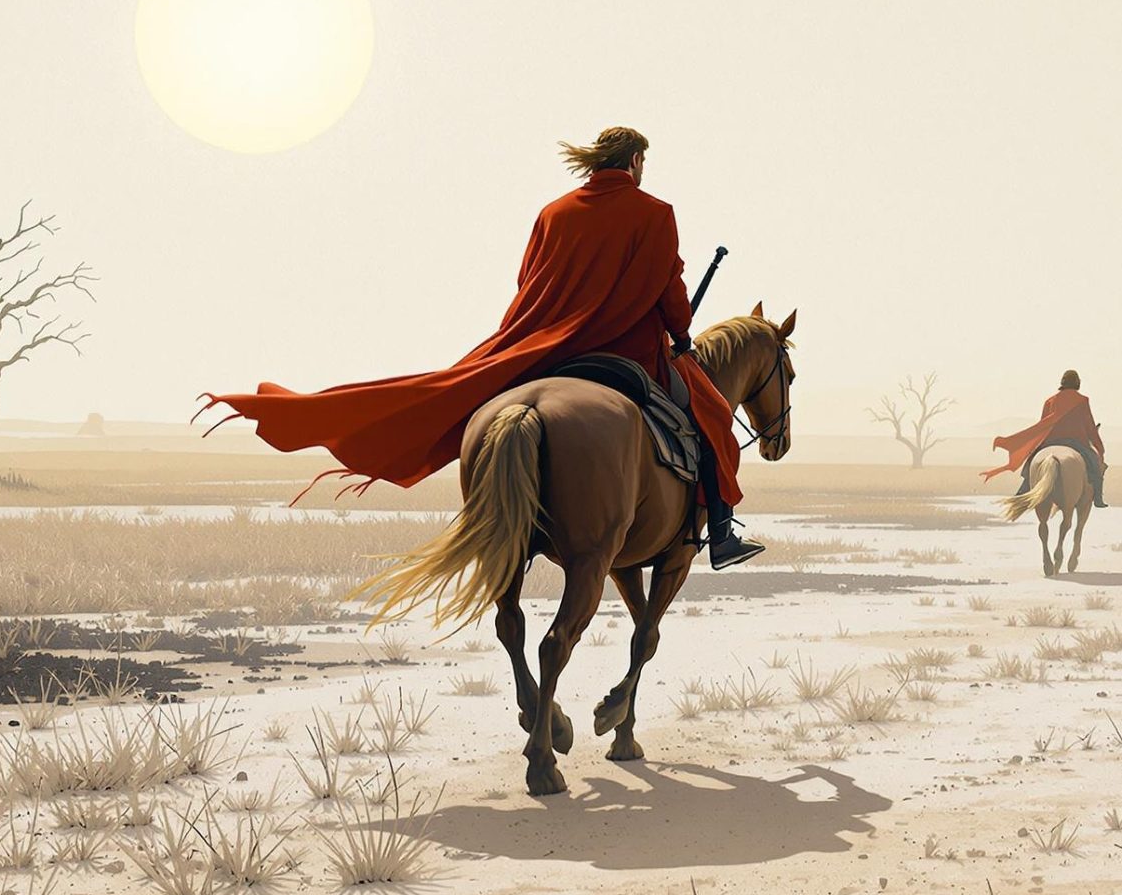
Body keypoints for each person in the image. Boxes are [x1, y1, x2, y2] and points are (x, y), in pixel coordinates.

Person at [202, 126, 762, 568]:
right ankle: (718, 534)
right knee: (710, 413)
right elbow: (669, 287)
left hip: (548, 351)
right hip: (630, 353)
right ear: (635, 162)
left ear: (596, 163)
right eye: (644, 164)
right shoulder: (656, 212)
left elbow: (529, 281)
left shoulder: (553, 212)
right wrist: (683, 336)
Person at [981, 369, 1108, 507]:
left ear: (1062, 383)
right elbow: (1089, 426)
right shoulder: (1083, 401)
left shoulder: (1050, 401)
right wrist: (1100, 449)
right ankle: (1098, 498)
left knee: (1031, 463)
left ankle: (1023, 491)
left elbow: (1043, 426)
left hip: (1051, 441)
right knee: (1095, 466)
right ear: (1078, 383)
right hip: (1076, 442)